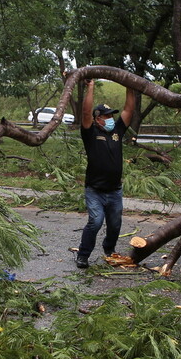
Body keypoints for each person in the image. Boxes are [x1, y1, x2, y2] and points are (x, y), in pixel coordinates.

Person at [75, 81, 137, 269]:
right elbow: (85, 113)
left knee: (115, 224)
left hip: (115, 190)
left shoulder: (117, 130)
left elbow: (129, 109)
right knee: (95, 221)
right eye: (107, 116)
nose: (110, 119)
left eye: (111, 115)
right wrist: (90, 87)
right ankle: (83, 255)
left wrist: (130, 85)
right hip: (95, 190)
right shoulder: (90, 132)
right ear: (97, 118)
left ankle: (109, 250)